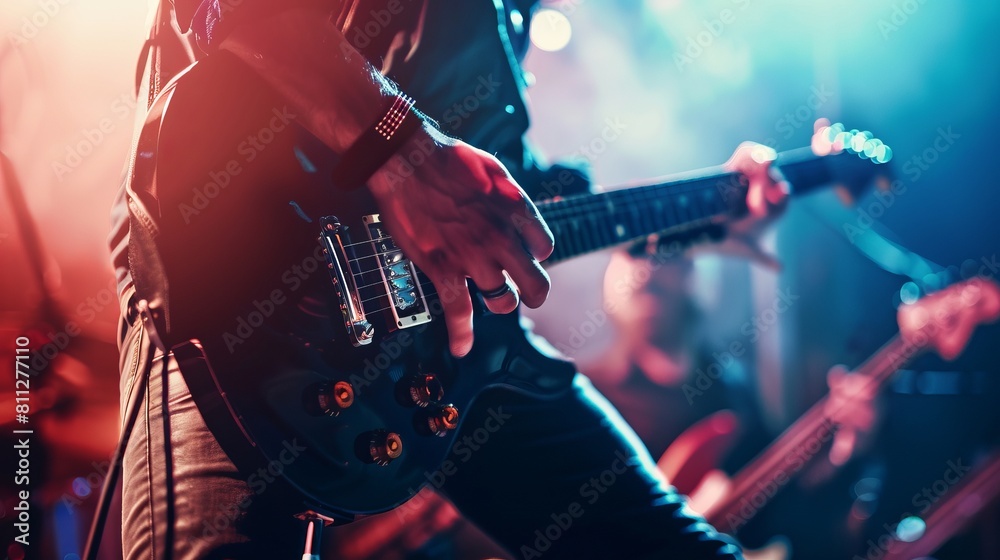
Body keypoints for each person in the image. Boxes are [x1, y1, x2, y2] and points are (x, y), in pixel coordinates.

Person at [110, 1, 786, 558]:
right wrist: (402, 147)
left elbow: (511, 195)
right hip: (242, 277)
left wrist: (707, 213)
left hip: (460, 350)